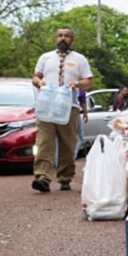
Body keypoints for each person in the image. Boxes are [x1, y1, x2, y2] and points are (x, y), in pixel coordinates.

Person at [31, 27, 93, 193]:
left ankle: (65, 177)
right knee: (44, 142)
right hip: (46, 105)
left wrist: (78, 84)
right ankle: (42, 177)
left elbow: (88, 81)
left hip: (69, 106)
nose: (63, 39)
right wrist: (39, 82)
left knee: (68, 143)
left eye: (66, 36)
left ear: (71, 40)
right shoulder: (46, 57)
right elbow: (35, 76)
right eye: (60, 36)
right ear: (56, 38)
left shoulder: (79, 59)